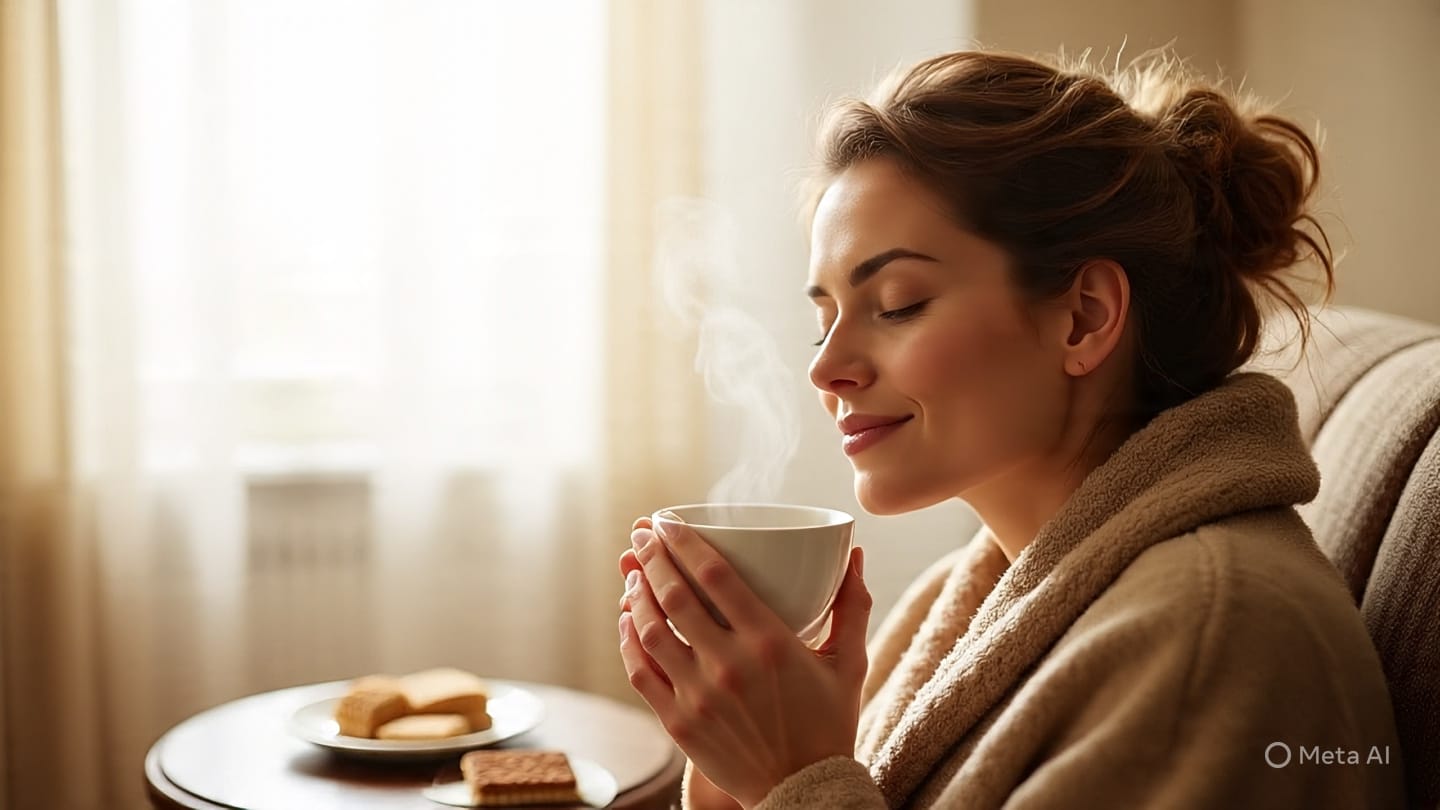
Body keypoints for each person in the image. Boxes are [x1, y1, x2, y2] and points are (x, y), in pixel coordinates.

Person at [615, 49, 1405, 809]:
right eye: (822, 320)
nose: (826, 370)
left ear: (1084, 317)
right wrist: (736, 771)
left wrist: (796, 777)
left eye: (897, 303)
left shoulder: (1216, 640)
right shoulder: (974, 596)